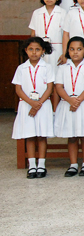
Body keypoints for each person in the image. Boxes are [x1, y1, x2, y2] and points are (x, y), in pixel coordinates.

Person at [12, 37, 55, 179]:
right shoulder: (21, 68)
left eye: (37, 49)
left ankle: (41, 165)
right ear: (26, 50)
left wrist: (38, 104)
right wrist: (31, 103)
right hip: (26, 105)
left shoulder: (47, 67)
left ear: (43, 51)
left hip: (43, 105)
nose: (34, 52)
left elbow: (49, 88)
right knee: (29, 135)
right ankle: (32, 165)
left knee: (42, 136)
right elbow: (18, 89)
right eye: (31, 49)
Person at [54, 37, 84, 177]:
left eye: (79, 49)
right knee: (71, 136)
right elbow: (59, 87)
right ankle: (73, 164)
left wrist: (77, 101)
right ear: (68, 51)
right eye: (72, 49)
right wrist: (70, 100)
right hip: (68, 104)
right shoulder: (62, 68)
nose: (75, 52)